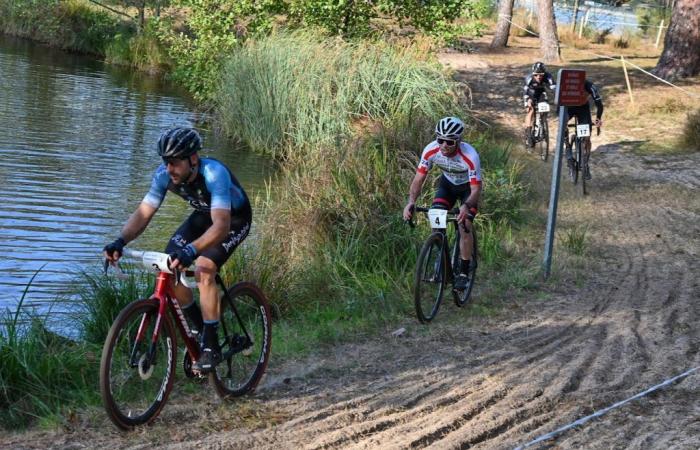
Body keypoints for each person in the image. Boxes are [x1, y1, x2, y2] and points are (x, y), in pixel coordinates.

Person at [103, 127, 252, 373]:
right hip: (204, 215)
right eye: (165, 162)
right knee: (168, 265)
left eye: (174, 162)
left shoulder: (215, 174)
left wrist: (192, 251)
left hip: (233, 220)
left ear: (193, 159)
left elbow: (222, 226)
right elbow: (143, 214)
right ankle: (198, 327)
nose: (169, 168)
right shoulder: (164, 176)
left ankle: (211, 346)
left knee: (204, 268)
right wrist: (120, 241)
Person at [402, 117, 482, 290]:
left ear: (459, 141)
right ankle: (441, 252)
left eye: (450, 141)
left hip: (468, 190)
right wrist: (411, 202)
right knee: (436, 219)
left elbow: (476, 190)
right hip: (448, 186)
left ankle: (463, 271)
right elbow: (418, 179)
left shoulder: (470, 156)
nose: (444, 145)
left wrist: (466, 206)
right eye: (440, 140)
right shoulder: (431, 151)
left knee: (464, 224)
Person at [565, 79, 604, 180]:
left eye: (584, 93)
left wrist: (598, 118)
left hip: (583, 108)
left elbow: (599, 104)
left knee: (586, 137)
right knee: (563, 125)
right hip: (568, 107)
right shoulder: (567, 85)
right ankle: (568, 149)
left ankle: (585, 164)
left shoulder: (589, 85)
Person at [523, 62, 556, 148]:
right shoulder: (529, 78)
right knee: (530, 110)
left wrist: (558, 98)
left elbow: (554, 88)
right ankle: (529, 133)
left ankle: (542, 123)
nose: (538, 77)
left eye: (541, 75)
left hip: (541, 93)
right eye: (536, 75)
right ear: (533, 74)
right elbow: (525, 92)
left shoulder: (548, 77)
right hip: (531, 94)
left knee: (544, 109)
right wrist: (527, 101)